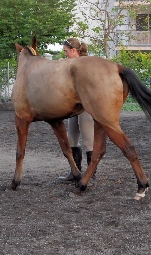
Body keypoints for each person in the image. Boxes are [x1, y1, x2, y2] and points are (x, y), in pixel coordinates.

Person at [58, 38, 95, 182]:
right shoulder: (69, 65)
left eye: (66, 51)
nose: (65, 54)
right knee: (71, 138)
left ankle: (91, 174)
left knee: (88, 140)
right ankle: (75, 172)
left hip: (85, 105)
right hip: (73, 105)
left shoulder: (86, 64)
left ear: (74, 50)